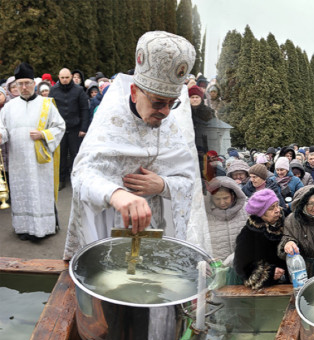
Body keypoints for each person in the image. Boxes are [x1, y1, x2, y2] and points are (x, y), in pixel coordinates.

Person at [63, 31, 197, 260]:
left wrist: (163, 185)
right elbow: (81, 174)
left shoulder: (170, 126)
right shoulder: (110, 120)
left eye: (171, 104)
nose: (165, 112)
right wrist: (115, 194)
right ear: (135, 92)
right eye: (158, 102)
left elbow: (187, 179)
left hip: (152, 227)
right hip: (107, 225)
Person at [0, 63, 65, 240]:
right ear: (15, 86)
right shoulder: (9, 108)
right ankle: (23, 228)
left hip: (40, 161)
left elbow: (60, 126)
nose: (24, 87)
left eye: (27, 83)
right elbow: (3, 129)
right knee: (22, 194)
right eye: (20, 84)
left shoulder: (47, 105)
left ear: (34, 84)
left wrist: (44, 134)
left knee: (40, 192)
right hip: (18, 160)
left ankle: (43, 229)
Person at [234, 189, 288, 290]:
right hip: (268, 290)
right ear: (260, 213)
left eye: (277, 205)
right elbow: (241, 267)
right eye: (271, 208)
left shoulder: (287, 221)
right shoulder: (248, 234)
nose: (277, 210)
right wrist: (270, 273)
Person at [49, 68, 90, 190]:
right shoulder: (53, 90)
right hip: (59, 129)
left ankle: (77, 179)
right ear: (58, 77)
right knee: (60, 156)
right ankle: (61, 180)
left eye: (67, 77)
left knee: (76, 155)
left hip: (75, 128)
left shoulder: (79, 90)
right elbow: (49, 111)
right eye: (62, 78)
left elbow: (84, 110)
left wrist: (84, 128)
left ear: (71, 77)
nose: (65, 80)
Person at [205, 177, 248, 263]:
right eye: (217, 199)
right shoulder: (203, 215)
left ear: (233, 195)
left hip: (244, 264)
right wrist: (205, 260)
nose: (222, 203)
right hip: (216, 268)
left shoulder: (247, 210)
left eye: (225, 198)